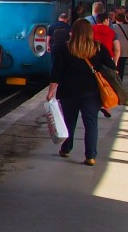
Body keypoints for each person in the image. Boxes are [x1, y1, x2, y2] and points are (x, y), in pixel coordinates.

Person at [47, 18, 116, 166]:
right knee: (91, 123)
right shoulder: (99, 48)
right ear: (90, 32)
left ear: (73, 31)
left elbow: (56, 73)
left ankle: (66, 149)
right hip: (91, 92)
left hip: (69, 91)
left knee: (69, 121)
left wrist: (51, 91)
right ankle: (90, 156)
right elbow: (112, 68)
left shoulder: (64, 48)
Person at [113, 9, 128, 80]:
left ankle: (115, 79)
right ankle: (120, 79)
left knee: (115, 64)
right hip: (125, 48)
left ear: (116, 18)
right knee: (122, 65)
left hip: (115, 47)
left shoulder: (113, 27)